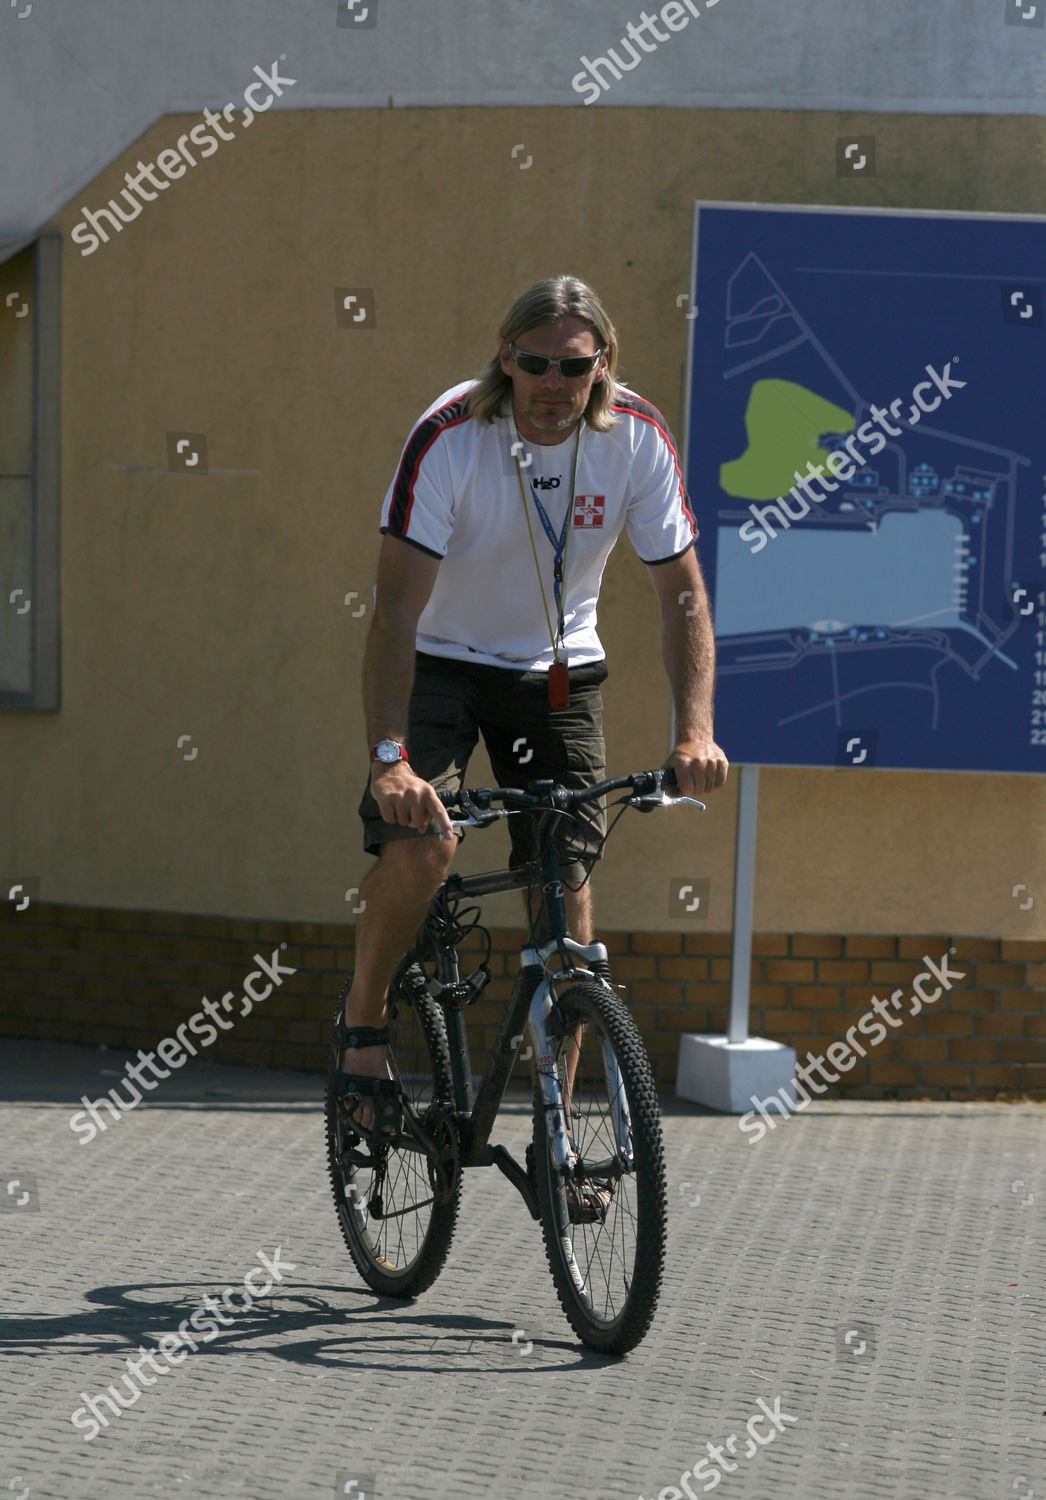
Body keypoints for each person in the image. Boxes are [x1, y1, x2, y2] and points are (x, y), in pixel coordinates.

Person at [334, 273, 728, 1144]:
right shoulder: (452, 437)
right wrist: (390, 756)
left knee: (567, 885)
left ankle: (559, 1122)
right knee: (426, 840)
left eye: (574, 366)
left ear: (603, 365)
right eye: (536, 363)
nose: (554, 384)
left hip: (555, 671)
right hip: (438, 662)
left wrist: (694, 729)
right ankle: (363, 1028)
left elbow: (682, 596)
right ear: (506, 358)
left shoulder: (637, 438)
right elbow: (395, 610)